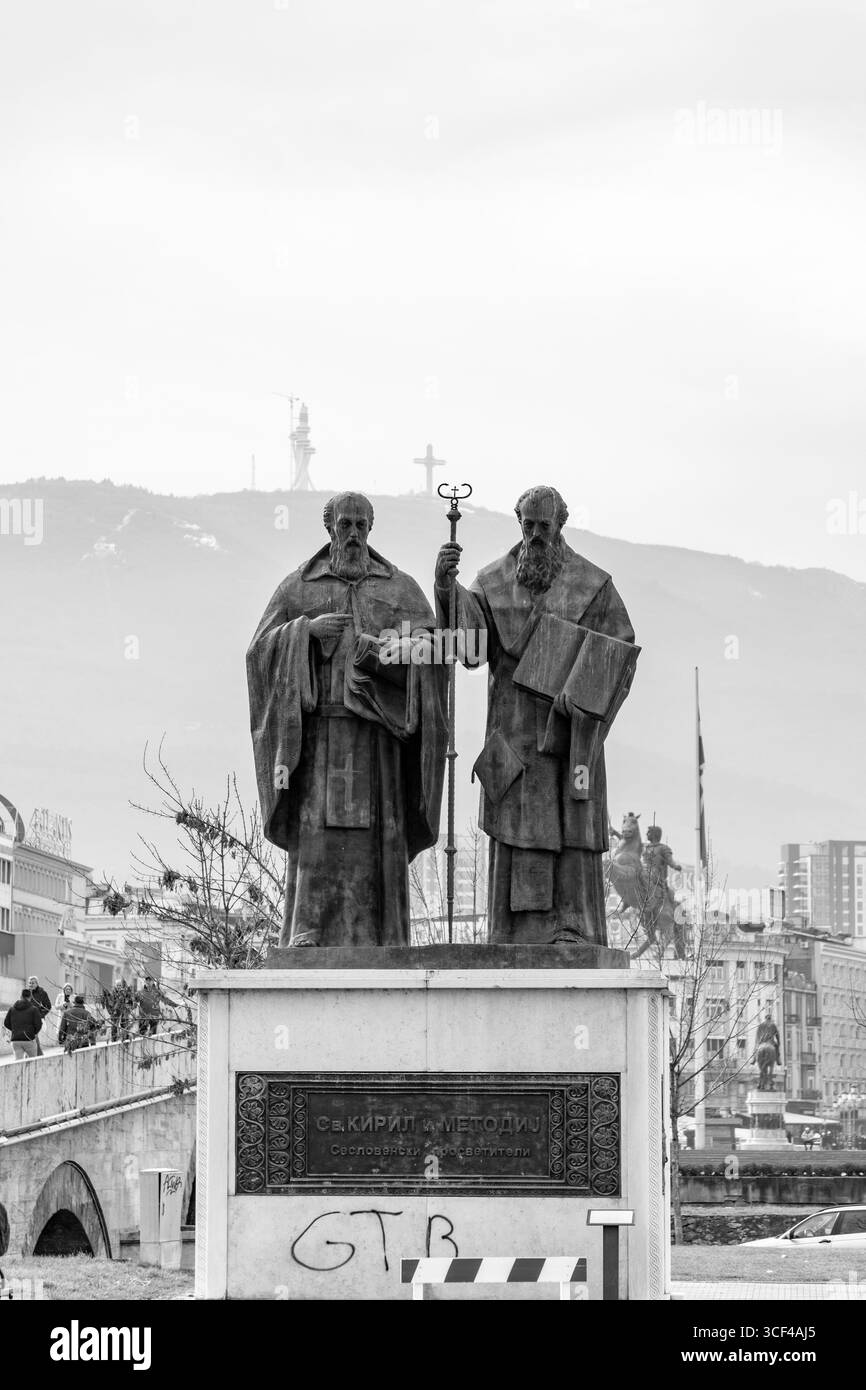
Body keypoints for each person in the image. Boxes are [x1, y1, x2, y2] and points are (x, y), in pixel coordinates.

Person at [434, 484, 637, 943]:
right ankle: (514, 935)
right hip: (515, 739)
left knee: (570, 836)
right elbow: (468, 651)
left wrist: (581, 693)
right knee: (518, 835)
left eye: (544, 526)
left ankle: (572, 930)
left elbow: (620, 651)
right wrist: (447, 589)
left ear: (560, 525)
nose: (536, 535)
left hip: (568, 738)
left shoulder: (593, 585)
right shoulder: (491, 582)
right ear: (519, 524)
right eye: (528, 526)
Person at [247, 491, 447, 946]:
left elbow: (436, 651)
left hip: (380, 742)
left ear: (371, 529)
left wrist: (387, 651)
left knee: (381, 840)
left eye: (360, 525)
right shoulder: (299, 587)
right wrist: (305, 634)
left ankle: (384, 933)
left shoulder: (400, 589)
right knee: (318, 836)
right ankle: (309, 930)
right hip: (320, 736)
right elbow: (258, 654)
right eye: (345, 525)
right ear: (330, 529)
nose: (353, 534)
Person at [3, 987, 44, 1060]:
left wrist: (15, 1030)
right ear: (30, 997)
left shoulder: (12, 1009)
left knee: (18, 1063)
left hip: (16, 1040)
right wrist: (33, 1033)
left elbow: (6, 1023)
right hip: (29, 1039)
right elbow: (39, 1024)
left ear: (21, 996)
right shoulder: (34, 1009)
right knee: (33, 1062)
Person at [27, 975, 51, 1056]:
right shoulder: (26, 992)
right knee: (31, 1037)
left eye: (33, 983)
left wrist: (41, 1015)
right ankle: (37, 1054)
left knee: (33, 1035)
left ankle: (34, 1055)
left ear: (37, 983)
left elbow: (48, 1006)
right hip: (27, 1018)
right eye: (29, 983)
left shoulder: (42, 992)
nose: (31, 985)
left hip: (37, 1019)